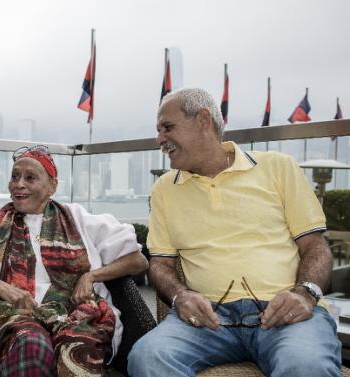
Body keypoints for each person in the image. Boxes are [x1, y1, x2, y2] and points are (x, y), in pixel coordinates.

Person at [128, 88, 341, 376]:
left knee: (305, 365)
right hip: (208, 321)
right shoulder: (165, 189)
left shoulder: (278, 167)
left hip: (283, 312)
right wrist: (180, 296)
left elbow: (316, 247)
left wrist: (305, 294)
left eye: (168, 127)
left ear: (204, 120)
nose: (159, 139)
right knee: (147, 358)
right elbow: (160, 264)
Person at [0, 145, 148, 377]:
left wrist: (91, 276)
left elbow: (137, 261)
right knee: (32, 346)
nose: (19, 184)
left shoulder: (80, 219)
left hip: (78, 316)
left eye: (30, 178)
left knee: (76, 350)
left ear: (52, 186)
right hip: (14, 317)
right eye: (15, 177)